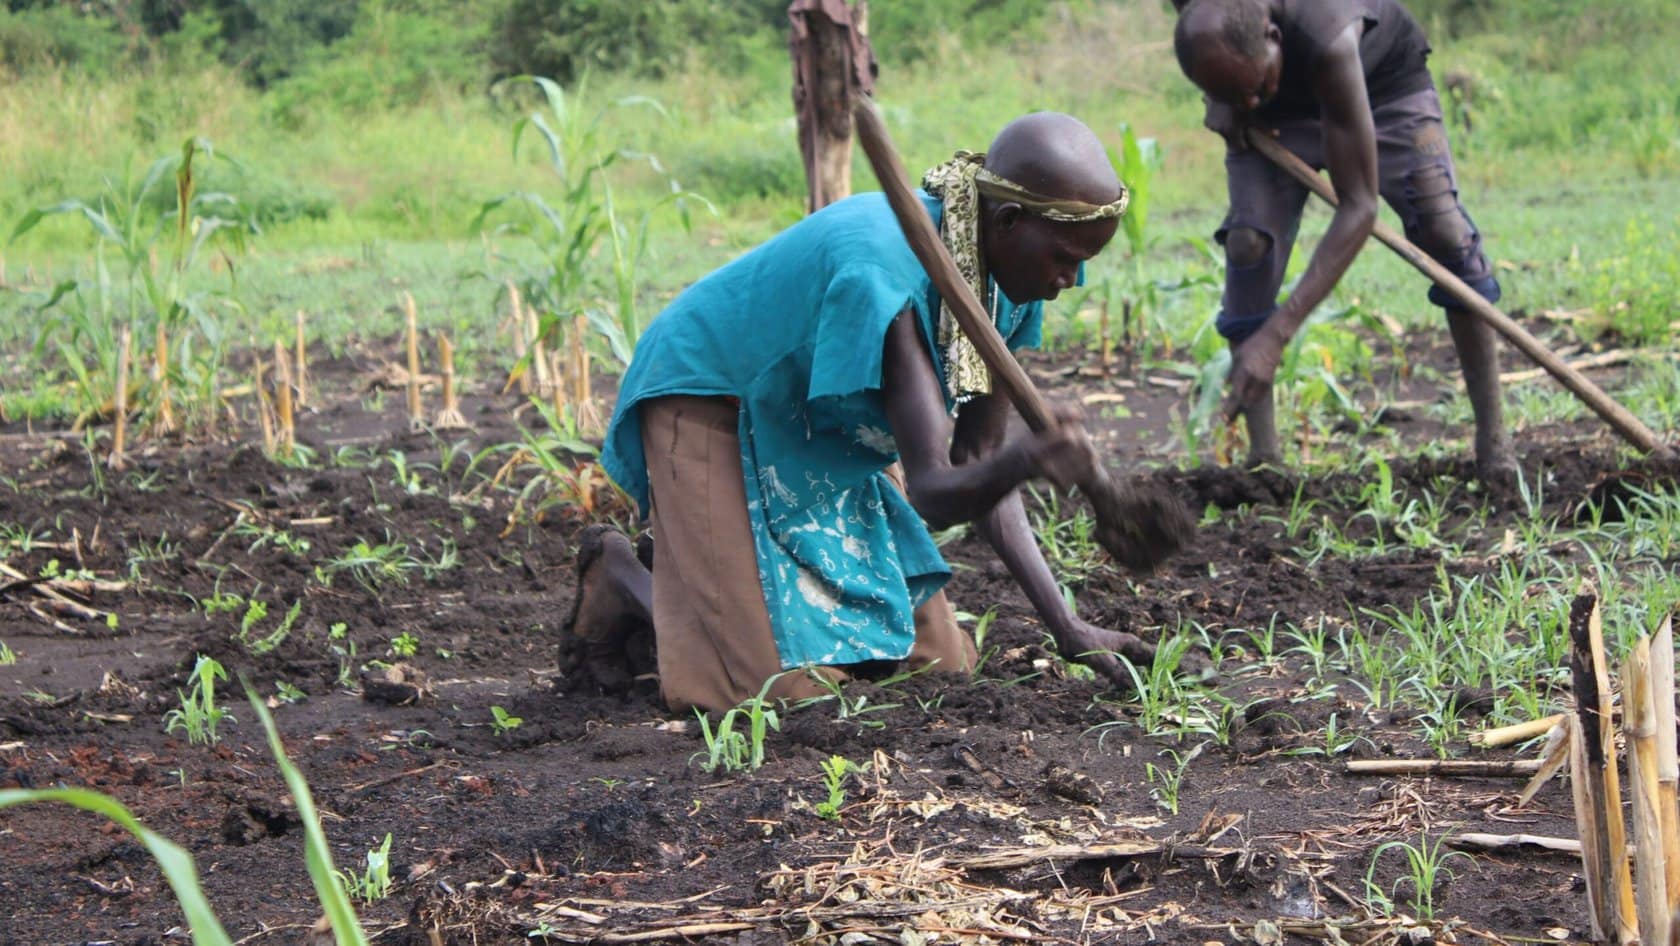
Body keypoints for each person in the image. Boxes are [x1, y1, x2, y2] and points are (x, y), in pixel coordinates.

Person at [564, 112, 1167, 715]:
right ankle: (624, 579)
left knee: (937, 662)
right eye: (1064, 257)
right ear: (1008, 220)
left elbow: (977, 457)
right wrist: (1028, 460)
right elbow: (934, 488)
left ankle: (713, 584)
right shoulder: (885, 276)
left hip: (821, 427)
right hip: (715, 402)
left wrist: (1066, 625)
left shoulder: (1004, 282)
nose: (1072, 279)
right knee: (770, 697)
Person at [1171, 0, 1515, 482]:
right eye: (1238, 95)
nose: (1246, 105)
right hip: (1278, 101)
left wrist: (1276, 337)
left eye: (1248, 90)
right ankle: (1264, 465)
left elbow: (1360, 205)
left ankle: (1495, 446)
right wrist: (1224, 96)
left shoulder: (1326, 29)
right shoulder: (1236, 53)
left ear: (1272, 34)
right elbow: (1195, 25)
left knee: (1445, 233)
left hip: (1382, 86)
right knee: (1249, 244)